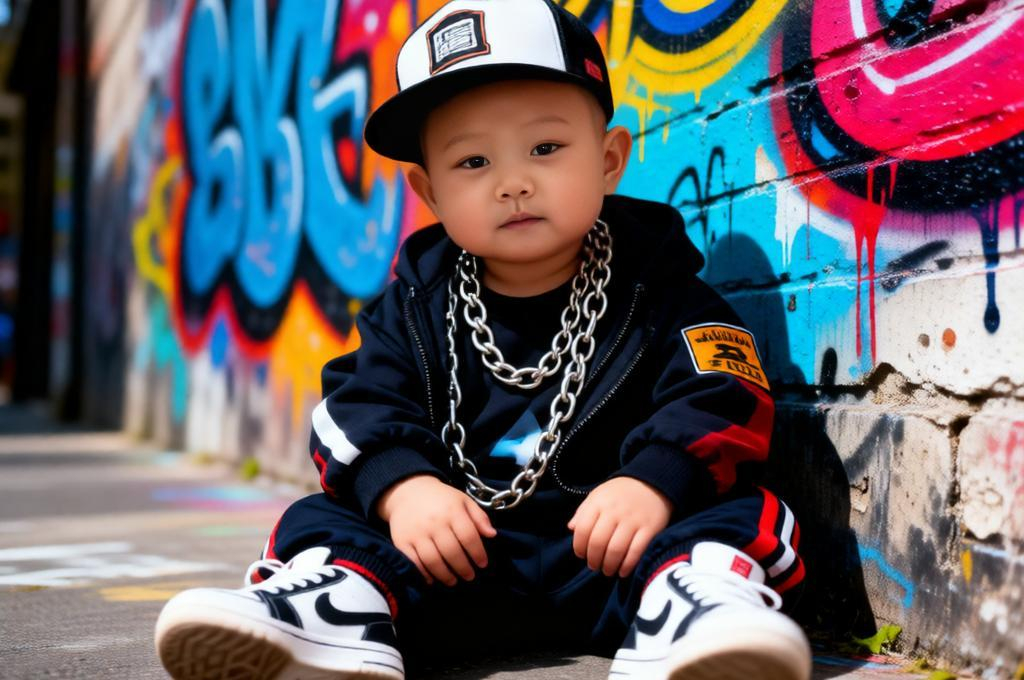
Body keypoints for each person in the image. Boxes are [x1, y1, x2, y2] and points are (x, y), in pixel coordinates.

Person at [154, 1, 812, 678]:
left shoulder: (660, 293)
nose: (513, 183)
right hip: (455, 567)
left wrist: (655, 481)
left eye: (546, 149)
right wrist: (405, 488)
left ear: (609, 159)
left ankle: (693, 615)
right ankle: (336, 615)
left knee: (740, 514)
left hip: (619, 561)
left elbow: (724, 393)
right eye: (472, 161)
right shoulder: (411, 309)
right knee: (319, 517)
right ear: (429, 192)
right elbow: (353, 410)